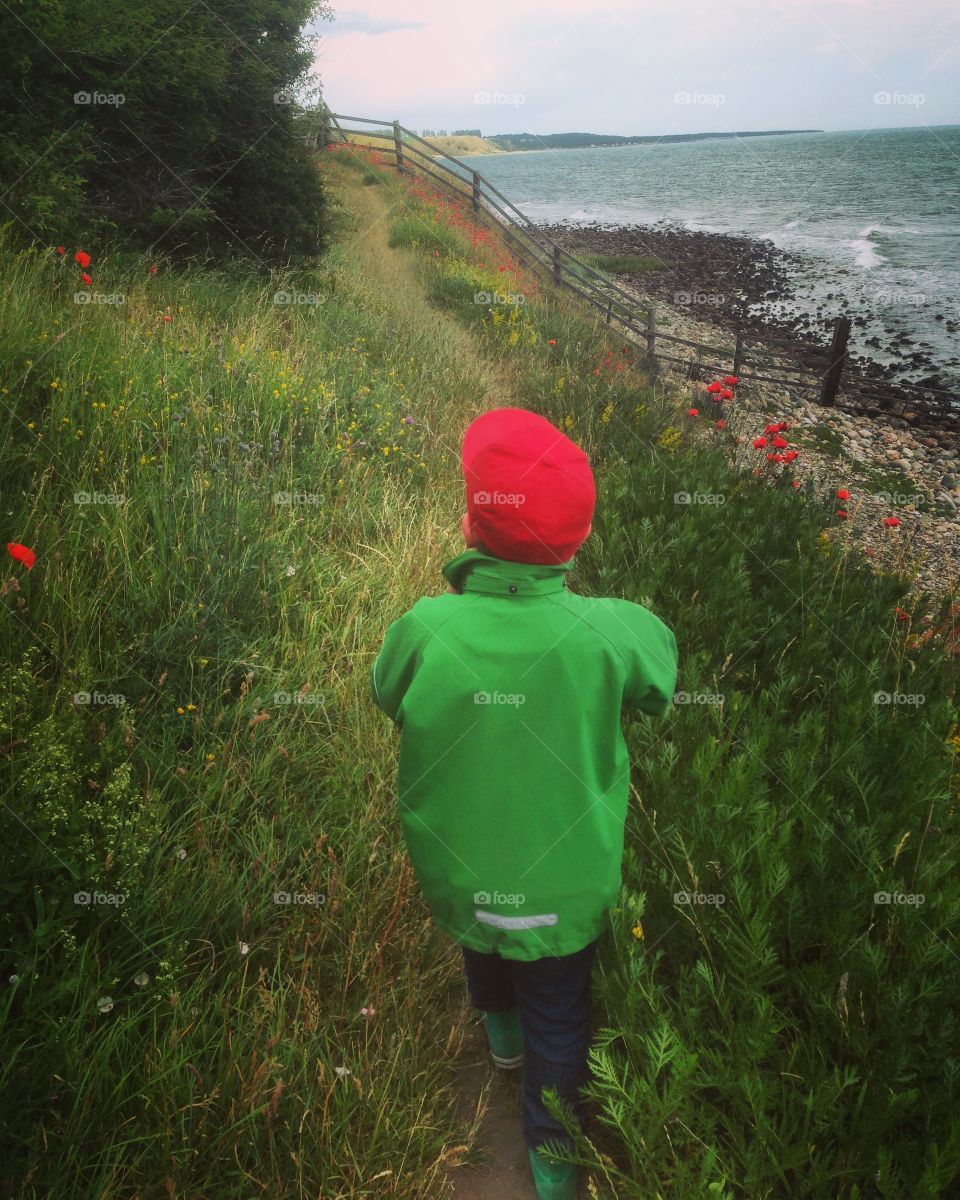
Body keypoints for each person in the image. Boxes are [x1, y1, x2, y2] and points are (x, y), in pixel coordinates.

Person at [370, 406, 678, 1200]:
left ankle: (498, 1044)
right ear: (578, 541)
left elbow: (385, 690)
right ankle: (550, 1161)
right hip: (565, 889)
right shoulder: (611, 631)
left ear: (471, 522)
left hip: (463, 872)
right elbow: (662, 681)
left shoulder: (427, 627)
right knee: (560, 1013)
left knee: (485, 942)